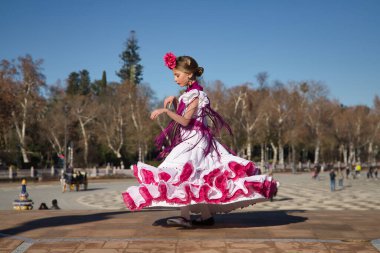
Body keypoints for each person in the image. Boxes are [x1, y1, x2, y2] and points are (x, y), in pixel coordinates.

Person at [122, 52, 278, 227]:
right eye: (174, 75)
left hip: (195, 141)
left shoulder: (196, 95)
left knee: (183, 172)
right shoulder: (188, 95)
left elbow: (185, 121)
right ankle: (205, 217)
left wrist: (165, 111)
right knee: (197, 177)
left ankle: (185, 217)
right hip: (191, 139)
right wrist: (175, 101)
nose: (175, 79)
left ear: (189, 74)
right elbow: (184, 116)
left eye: (177, 75)